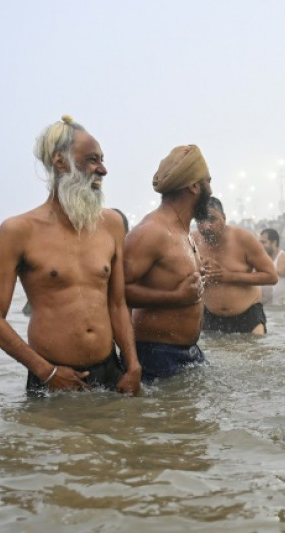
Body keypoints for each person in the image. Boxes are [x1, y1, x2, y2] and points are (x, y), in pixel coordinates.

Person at [0, 115, 141, 395]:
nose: (102, 170)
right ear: (60, 162)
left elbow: (117, 304)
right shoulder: (17, 231)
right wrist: (47, 372)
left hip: (110, 372)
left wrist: (133, 365)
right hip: (52, 380)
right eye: (92, 160)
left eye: (102, 160)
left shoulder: (112, 224)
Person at [124, 144, 212, 383]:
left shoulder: (183, 231)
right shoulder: (151, 231)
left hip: (189, 352)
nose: (211, 190)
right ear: (194, 186)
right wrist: (175, 296)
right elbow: (116, 292)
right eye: (208, 181)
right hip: (157, 355)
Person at [194, 197, 278, 334]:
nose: (206, 226)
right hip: (211, 316)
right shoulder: (193, 242)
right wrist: (199, 274)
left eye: (212, 219)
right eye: (200, 220)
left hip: (248, 316)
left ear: (224, 218)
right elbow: (180, 279)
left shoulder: (244, 239)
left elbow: (271, 276)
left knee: (255, 346)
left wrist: (229, 276)